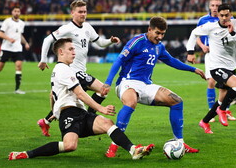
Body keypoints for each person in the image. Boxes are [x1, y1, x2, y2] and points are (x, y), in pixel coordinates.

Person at [8, 38, 154, 160]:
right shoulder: (62, 69)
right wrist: (100, 108)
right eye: (71, 49)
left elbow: (51, 94)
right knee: (70, 146)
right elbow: (80, 94)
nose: (74, 52)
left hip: (80, 113)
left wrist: (53, 111)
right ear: (61, 52)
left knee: (107, 123)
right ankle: (26, 154)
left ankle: (133, 150)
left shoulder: (63, 70)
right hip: (69, 114)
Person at [101, 16, 206, 158]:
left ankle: (180, 143)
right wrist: (108, 82)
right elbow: (119, 60)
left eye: (163, 34)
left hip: (146, 84)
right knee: (131, 103)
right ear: (149, 29)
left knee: (177, 101)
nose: (160, 37)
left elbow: (171, 61)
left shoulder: (159, 46)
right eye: (157, 33)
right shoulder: (137, 42)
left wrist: (193, 70)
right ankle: (113, 146)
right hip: (127, 82)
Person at [37, 0, 120, 137]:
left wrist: (110, 41)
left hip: (81, 71)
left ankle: (45, 121)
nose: (83, 14)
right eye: (80, 12)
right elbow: (47, 40)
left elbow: (100, 43)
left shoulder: (87, 27)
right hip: (73, 72)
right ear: (72, 13)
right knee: (103, 89)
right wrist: (43, 60)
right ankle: (90, 116)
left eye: (85, 11)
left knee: (69, 100)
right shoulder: (67, 28)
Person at [186, 4, 236, 134]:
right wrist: (190, 52)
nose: (224, 18)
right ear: (218, 15)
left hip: (231, 67)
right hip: (216, 67)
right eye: (222, 15)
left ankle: (205, 121)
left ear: (231, 15)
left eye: (227, 15)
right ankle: (223, 109)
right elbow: (194, 32)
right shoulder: (211, 26)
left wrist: (233, 33)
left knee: (221, 99)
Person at [0, 6, 30, 94]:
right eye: (15, 11)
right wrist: (9, 39)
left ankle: (17, 89)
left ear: (20, 13)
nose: (17, 13)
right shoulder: (7, 21)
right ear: (12, 12)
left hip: (17, 48)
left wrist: (26, 43)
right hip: (6, 48)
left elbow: (20, 35)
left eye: (18, 11)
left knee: (19, 66)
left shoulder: (22, 23)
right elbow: (0, 34)